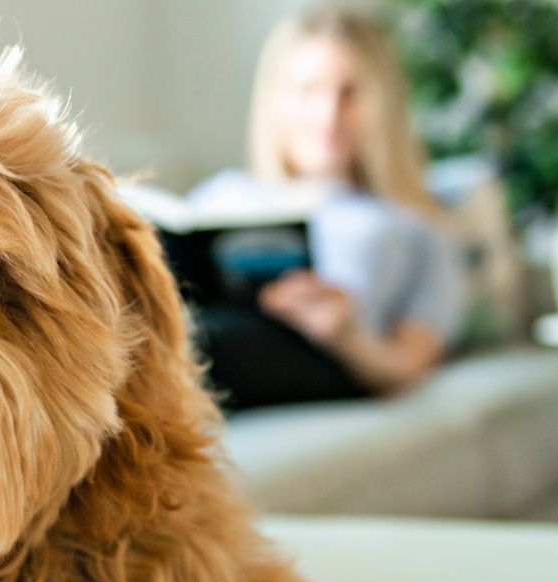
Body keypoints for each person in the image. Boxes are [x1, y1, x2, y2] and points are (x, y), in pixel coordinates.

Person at [188, 3, 465, 410]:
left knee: (189, 340)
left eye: (350, 93)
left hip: (318, 355)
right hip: (194, 329)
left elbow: (410, 361)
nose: (328, 114)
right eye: (307, 90)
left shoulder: (413, 225)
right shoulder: (221, 194)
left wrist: (348, 336)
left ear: (383, 104)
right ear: (275, 99)